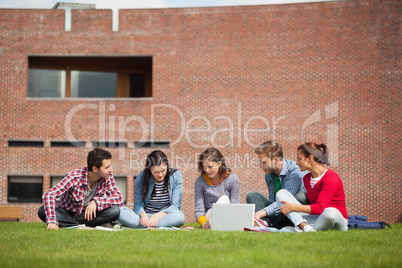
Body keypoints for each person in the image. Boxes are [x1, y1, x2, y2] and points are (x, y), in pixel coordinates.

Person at [38, 148, 124, 230]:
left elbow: (119, 198)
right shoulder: (75, 177)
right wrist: (52, 221)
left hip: (88, 215)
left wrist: (96, 202)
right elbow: (49, 194)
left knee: (114, 211)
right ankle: (86, 225)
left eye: (110, 166)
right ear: (95, 169)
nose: (111, 170)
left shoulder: (107, 176)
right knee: (42, 211)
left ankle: (75, 225)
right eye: (107, 167)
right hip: (68, 213)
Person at [277, 142, 348, 232]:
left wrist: (292, 207)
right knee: (281, 193)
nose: (297, 163)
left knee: (330, 212)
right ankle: (305, 228)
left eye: (299, 159)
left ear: (310, 158)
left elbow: (320, 207)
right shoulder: (306, 178)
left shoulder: (331, 177)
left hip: (335, 219)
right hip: (316, 218)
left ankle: (303, 230)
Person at [247, 140, 307, 228]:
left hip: (293, 211)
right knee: (252, 195)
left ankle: (269, 225)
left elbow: (285, 201)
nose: (261, 166)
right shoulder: (269, 174)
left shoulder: (295, 172)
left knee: (286, 202)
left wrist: (261, 213)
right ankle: (264, 223)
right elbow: (273, 201)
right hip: (278, 211)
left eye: (264, 162)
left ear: (276, 159)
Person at [118, 150, 185, 228]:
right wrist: (143, 216)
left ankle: (145, 226)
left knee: (179, 216)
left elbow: (175, 206)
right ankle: (153, 225)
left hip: (165, 216)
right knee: (120, 211)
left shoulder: (176, 176)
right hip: (145, 215)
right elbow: (138, 204)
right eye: (155, 172)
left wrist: (156, 216)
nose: (160, 175)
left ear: (167, 166)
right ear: (149, 169)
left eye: (163, 170)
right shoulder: (141, 177)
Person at [194, 148, 240, 229]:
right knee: (224, 199)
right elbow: (199, 210)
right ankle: (213, 225)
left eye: (210, 167)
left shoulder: (233, 179)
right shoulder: (199, 182)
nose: (207, 170)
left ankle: (217, 225)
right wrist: (204, 224)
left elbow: (235, 205)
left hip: (227, 214)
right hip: (210, 215)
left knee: (224, 199)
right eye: (204, 167)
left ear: (219, 164)